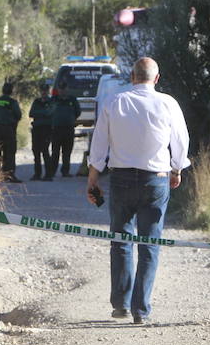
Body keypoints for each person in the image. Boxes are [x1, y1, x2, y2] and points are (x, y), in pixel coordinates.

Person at [86, 58, 189, 324]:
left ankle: (120, 303)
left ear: (132, 76)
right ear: (156, 79)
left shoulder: (114, 102)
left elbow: (99, 142)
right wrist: (177, 169)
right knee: (150, 244)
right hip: (155, 180)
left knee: (121, 240)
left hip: (120, 179)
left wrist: (93, 177)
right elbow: (180, 141)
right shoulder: (168, 104)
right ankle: (140, 309)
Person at [48, 80, 81, 178]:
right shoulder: (54, 99)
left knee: (67, 151)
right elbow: (49, 111)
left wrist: (71, 119)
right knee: (55, 152)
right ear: (58, 90)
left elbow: (78, 112)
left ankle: (65, 171)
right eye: (60, 89)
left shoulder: (72, 99)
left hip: (69, 128)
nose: (62, 91)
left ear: (67, 89)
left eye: (64, 89)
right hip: (56, 129)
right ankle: (52, 171)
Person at [28, 82, 54, 181]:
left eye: (45, 91)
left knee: (45, 151)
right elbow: (31, 113)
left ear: (48, 91)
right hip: (37, 129)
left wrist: (39, 114)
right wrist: (43, 113)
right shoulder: (36, 101)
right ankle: (37, 173)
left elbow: (50, 113)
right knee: (36, 151)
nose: (43, 92)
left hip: (47, 129)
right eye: (42, 91)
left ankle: (48, 174)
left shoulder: (51, 101)